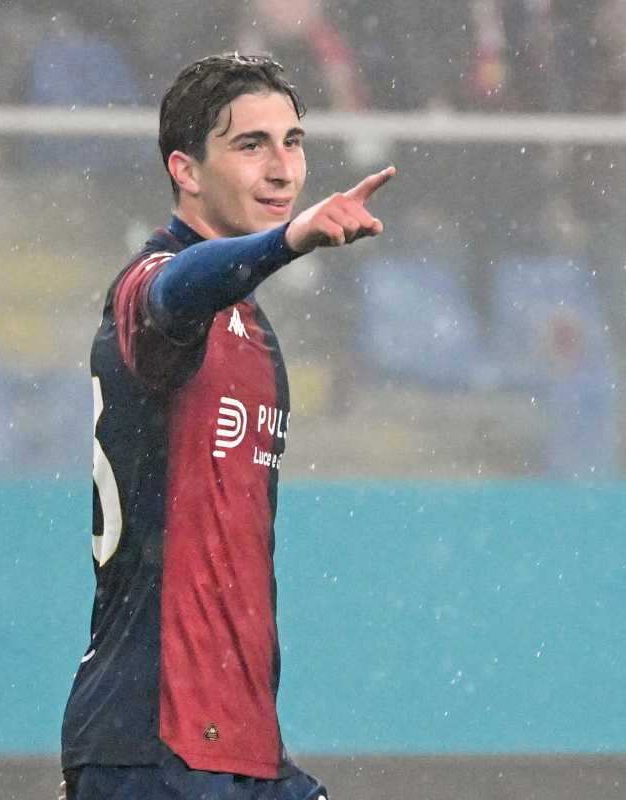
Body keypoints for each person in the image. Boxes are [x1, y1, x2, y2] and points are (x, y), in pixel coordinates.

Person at [60, 52, 394, 800]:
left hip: (238, 740)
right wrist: (288, 240)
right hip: (157, 736)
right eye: (251, 146)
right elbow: (176, 290)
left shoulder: (251, 323)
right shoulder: (152, 283)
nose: (282, 170)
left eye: (293, 142)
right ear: (185, 169)